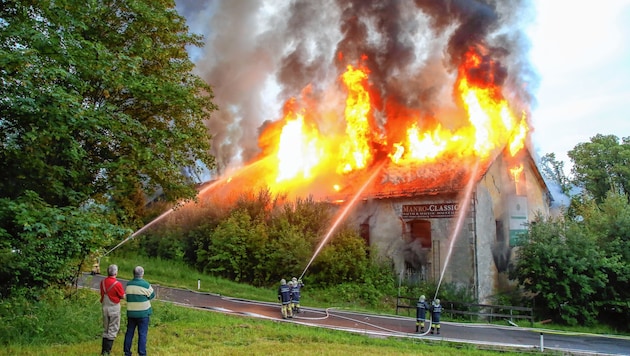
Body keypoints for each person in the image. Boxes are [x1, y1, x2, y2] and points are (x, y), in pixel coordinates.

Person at [123, 266, 156, 356]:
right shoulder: (145, 284)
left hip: (131, 312)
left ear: (133, 273)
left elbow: (127, 297)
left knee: (129, 332)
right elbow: (152, 295)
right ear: (142, 274)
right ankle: (142, 353)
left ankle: (127, 352)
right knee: (142, 334)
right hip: (143, 313)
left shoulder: (129, 284)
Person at [100, 264, 125, 355]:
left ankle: (103, 351)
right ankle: (107, 351)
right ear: (116, 272)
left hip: (104, 306)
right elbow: (122, 296)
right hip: (114, 307)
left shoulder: (102, 282)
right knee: (113, 328)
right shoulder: (117, 284)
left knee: (106, 329)